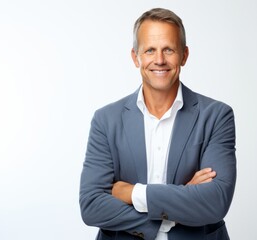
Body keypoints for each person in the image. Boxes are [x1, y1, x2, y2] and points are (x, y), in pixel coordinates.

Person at [80, 8, 236, 240]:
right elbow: (91, 206)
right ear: (136, 57)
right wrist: (183, 197)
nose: (160, 60)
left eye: (169, 50)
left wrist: (133, 192)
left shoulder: (216, 116)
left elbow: (215, 203)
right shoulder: (106, 119)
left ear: (184, 55)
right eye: (150, 50)